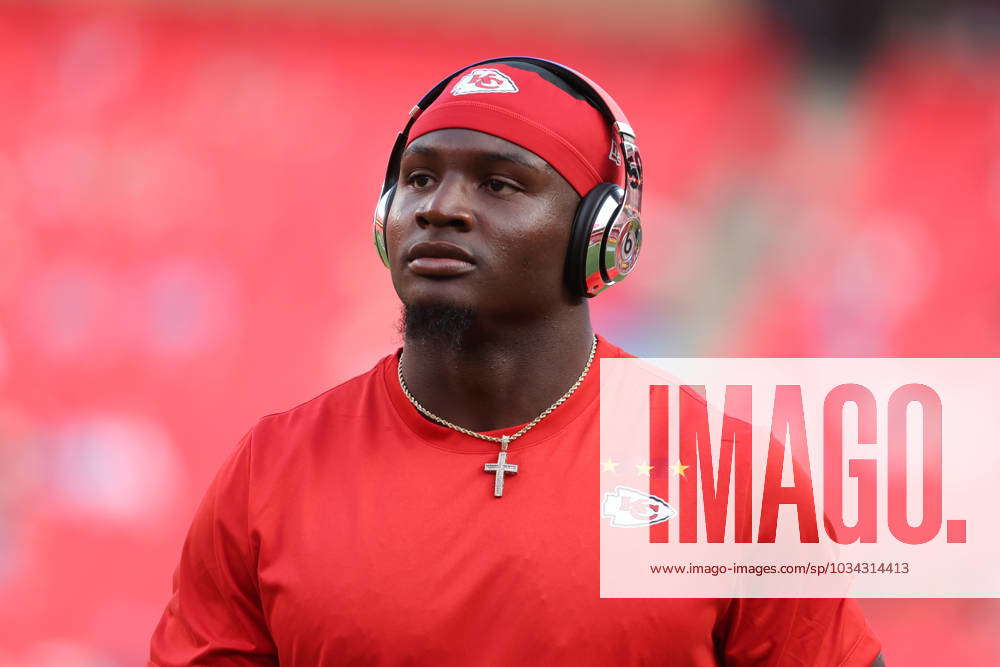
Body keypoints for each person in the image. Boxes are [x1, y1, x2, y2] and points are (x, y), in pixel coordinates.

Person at [148, 57, 884, 666]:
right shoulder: (272, 471)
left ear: (600, 234)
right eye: (420, 178)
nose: (441, 207)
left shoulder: (730, 475)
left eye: (499, 183)